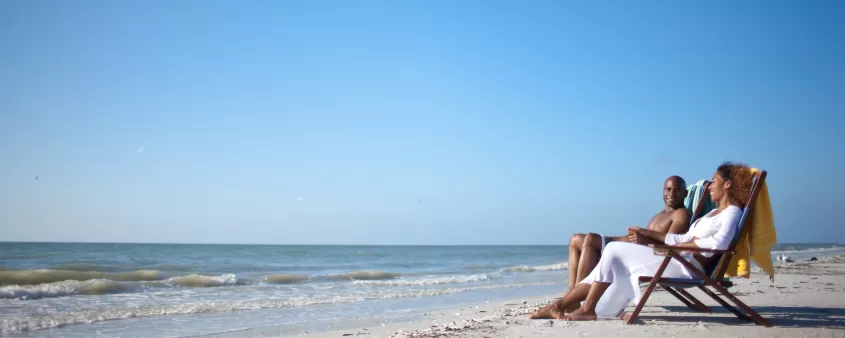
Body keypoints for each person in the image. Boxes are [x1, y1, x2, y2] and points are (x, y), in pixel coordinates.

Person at [530, 162, 752, 320]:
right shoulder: (712, 214)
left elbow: (720, 245)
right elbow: (682, 237)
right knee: (613, 258)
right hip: (676, 259)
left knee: (614, 250)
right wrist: (656, 236)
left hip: (685, 267)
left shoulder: (731, 212)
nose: (710, 186)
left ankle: (578, 306)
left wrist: (681, 246)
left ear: (728, 185)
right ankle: (565, 304)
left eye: (714, 182)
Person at [566, 176, 692, 293]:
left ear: (685, 193)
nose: (671, 194)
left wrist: (644, 240)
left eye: (677, 190)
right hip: (624, 244)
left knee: (591, 239)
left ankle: (574, 297)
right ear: (663, 191)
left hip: (630, 253)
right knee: (575, 239)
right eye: (668, 189)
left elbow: (671, 244)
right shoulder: (661, 214)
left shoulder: (681, 213)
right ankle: (571, 292)